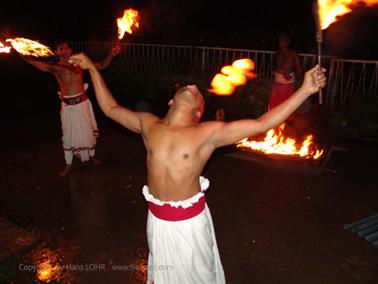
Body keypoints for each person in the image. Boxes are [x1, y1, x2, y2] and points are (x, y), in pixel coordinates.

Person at [69, 52, 326, 284]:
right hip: (157, 222)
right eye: (189, 86)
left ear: (197, 113)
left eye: (198, 92)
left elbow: (261, 123)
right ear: (171, 101)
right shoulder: (149, 124)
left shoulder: (207, 133)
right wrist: (92, 68)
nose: (193, 86)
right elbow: (111, 108)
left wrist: (304, 90)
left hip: (189, 225)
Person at [19, 41, 120, 176]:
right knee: (68, 135)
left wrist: (111, 55)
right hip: (68, 108)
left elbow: (101, 65)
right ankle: (68, 164)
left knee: (88, 132)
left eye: (66, 48)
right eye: (61, 49)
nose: (64, 50)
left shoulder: (80, 63)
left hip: (83, 104)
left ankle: (92, 155)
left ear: (70, 50)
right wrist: (20, 51)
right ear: (56, 52)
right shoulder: (55, 68)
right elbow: (34, 63)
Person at [268, 33, 302, 114]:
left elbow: (299, 70)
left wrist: (290, 75)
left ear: (288, 42)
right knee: (274, 103)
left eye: (283, 41)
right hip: (277, 82)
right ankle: (273, 121)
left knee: (287, 104)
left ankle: (286, 121)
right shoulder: (277, 53)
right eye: (280, 41)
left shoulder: (293, 54)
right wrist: (275, 71)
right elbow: (278, 66)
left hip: (288, 83)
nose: (281, 43)